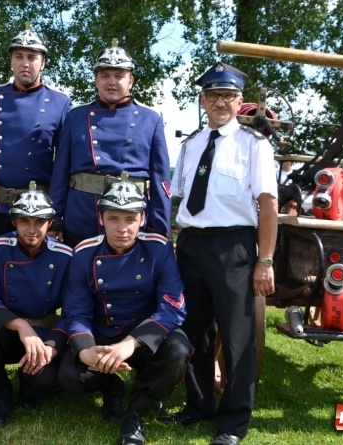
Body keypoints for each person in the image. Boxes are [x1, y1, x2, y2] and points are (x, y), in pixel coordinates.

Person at [161, 62, 278, 445]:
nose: (221, 102)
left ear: (239, 100)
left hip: (234, 248)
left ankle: (232, 424)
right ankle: (198, 406)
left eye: (228, 95)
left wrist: (265, 260)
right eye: (213, 95)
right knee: (194, 331)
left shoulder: (255, 145)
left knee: (237, 335)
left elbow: (268, 205)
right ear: (202, 100)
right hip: (192, 245)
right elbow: (179, 198)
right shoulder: (191, 144)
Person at [59, 175, 191, 445]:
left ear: (142, 219)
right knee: (69, 378)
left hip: (143, 341)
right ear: (101, 219)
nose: (122, 228)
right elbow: (76, 312)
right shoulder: (84, 253)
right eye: (114, 219)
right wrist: (87, 352)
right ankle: (111, 385)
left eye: (130, 219)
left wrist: (130, 344)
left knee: (178, 349)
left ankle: (137, 411)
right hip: (103, 338)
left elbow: (172, 307)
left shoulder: (159, 248)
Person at [50, 40, 172, 247]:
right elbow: (60, 173)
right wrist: (54, 220)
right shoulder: (76, 117)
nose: (111, 82)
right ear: (96, 80)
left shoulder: (150, 120)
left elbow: (161, 178)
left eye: (119, 75)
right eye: (105, 75)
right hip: (82, 216)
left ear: (131, 80)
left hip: (130, 220)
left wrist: (159, 228)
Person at [0, 183, 73, 427]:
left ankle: (30, 384)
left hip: (45, 331)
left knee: (44, 381)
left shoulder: (66, 256)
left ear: (50, 223)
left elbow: (73, 310)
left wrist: (52, 346)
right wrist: (20, 326)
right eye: (25, 221)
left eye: (39, 222)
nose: (32, 229)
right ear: (14, 222)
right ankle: (1, 391)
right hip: (7, 329)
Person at [0, 25, 71, 248]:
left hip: (36, 214)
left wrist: (56, 217)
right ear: (11, 61)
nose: (25, 63)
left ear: (43, 63)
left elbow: (63, 166)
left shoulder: (60, 103)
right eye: (19, 56)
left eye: (32, 57)